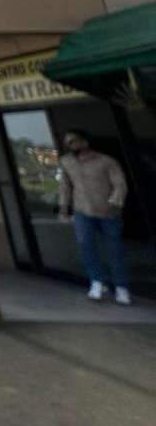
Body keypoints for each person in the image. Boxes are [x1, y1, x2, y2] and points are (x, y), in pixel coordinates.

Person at [58, 129, 131, 305]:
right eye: (67, 143)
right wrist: (63, 208)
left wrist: (114, 203)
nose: (70, 145)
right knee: (86, 246)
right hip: (82, 210)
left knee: (115, 250)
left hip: (108, 212)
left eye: (73, 141)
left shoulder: (106, 161)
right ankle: (97, 281)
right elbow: (65, 187)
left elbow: (120, 184)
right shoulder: (66, 162)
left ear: (85, 141)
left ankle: (121, 287)